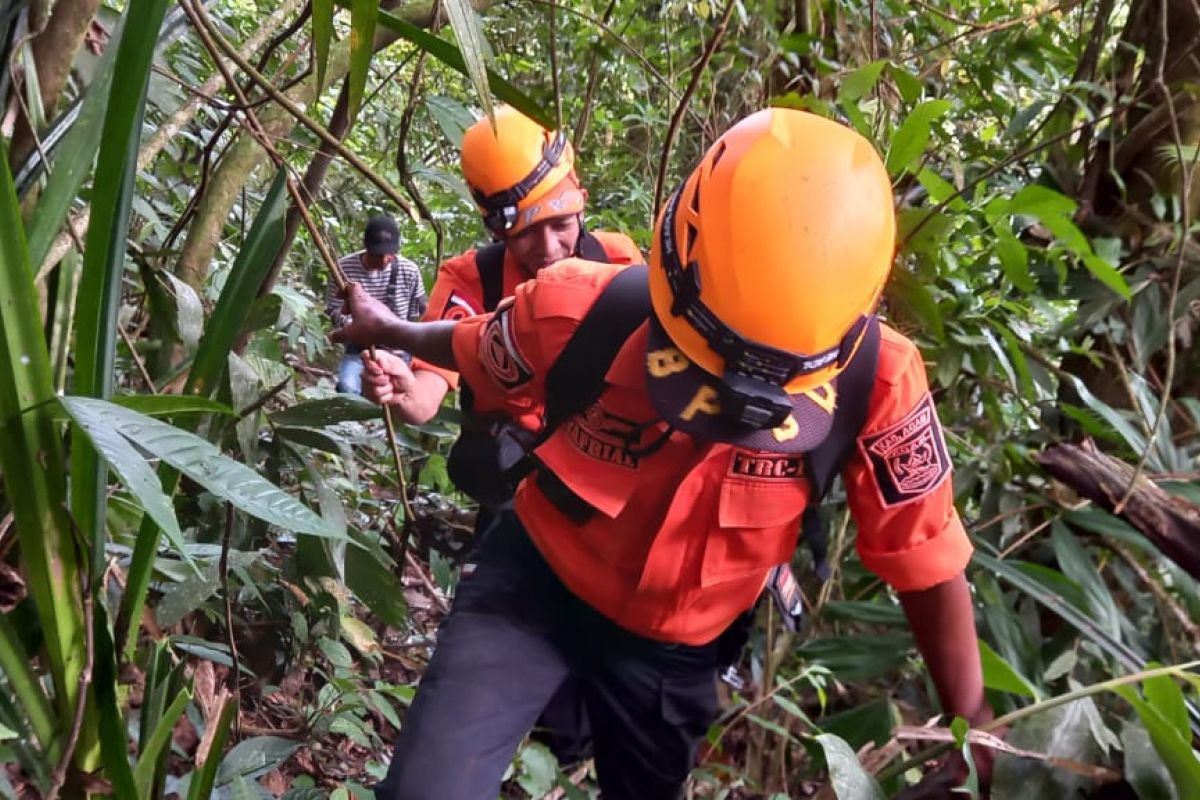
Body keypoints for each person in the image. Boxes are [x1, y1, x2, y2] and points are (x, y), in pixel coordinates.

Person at [336, 108, 994, 800]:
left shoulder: (879, 383)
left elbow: (925, 556)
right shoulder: (578, 307)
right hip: (534, 589)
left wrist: (970, 718)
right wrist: (394, 333)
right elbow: (473, 346)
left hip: (676, 650)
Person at [359, 107, 642, 766]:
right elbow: (429, 392)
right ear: (495, 227)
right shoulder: (473, 281)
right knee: (516, 611)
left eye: (560, 226)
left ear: (581, 205)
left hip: (602, 471)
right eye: (527, 237)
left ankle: (568, 740)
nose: (549, 250)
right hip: (513, 471)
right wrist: (402, 391)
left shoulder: (620, 262)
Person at [323, 213, 425, 394]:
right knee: (347, 387)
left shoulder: (409, 271)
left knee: (397, 394)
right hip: (359, 349)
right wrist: (353, 326)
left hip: (398, 349)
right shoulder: (343, 269)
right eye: (379, 254)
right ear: (367, 248)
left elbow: (415, 313)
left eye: (390, 254)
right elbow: (333, 308)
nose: (385, 259)